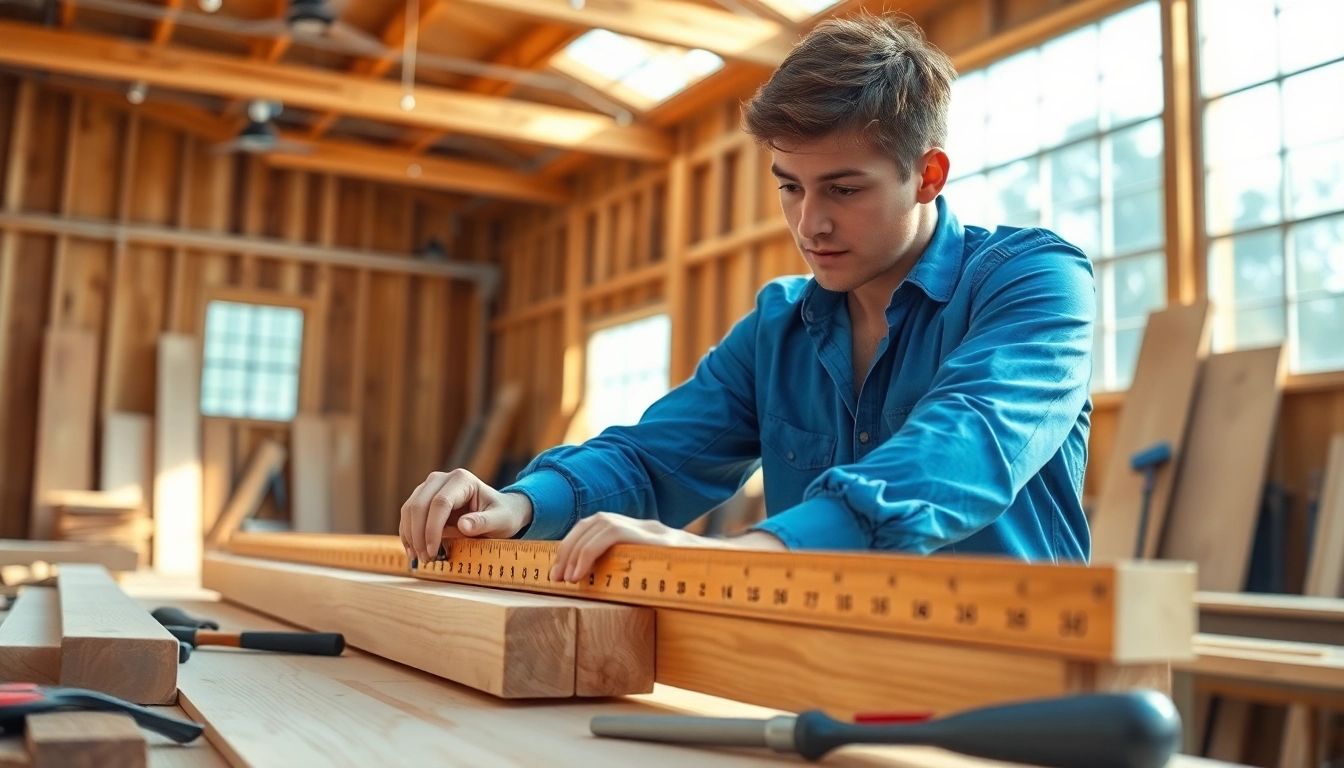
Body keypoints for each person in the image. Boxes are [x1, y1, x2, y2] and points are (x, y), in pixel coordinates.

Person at [399, 12, 1096, 583]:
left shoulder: (1033, 282)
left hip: (1014, 699)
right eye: (790, 185)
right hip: (820, 688)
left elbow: (965, 443)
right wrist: (519, 503)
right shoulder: (778, 327)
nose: (808, 223)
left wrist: (745, 558)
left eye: (843, 189)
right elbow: (652, 457)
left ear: (927, 176)